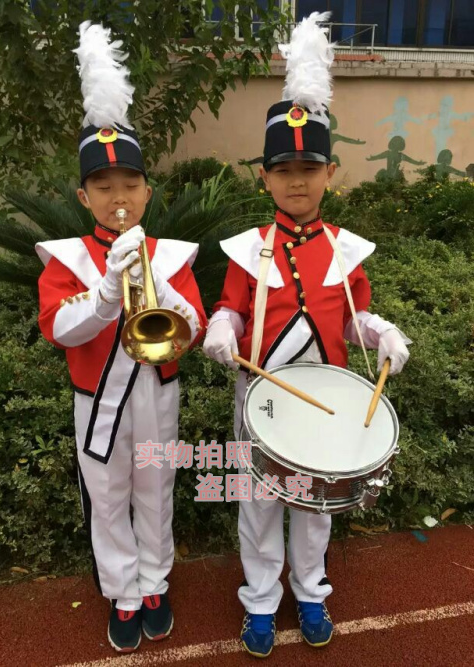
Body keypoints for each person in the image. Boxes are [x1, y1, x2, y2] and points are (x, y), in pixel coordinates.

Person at [203, 13, 410, 659]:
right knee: (259, 506)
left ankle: (312, 590)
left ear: (331, 172)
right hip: (261, 400)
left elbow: (351, 317)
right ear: (264, 176)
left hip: (327, 398)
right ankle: (261, 602)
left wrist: (381, 331)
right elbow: (233, 309)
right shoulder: (247, 249)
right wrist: (221, 327)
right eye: (284, 168)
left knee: (316, 507)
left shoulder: (346, 249)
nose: (297, 179)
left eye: (310, 167)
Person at [36, 22, 206, 654]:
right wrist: (106, 292)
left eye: (130, 185)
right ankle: (123, 592)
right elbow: (59, 327)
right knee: (107, 497)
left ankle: (155, 583)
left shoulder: (172, 254)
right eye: (104, 188)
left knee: (156, 491)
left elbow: (193, 326)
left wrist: (172, 304)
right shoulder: (66, 258)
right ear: (84, 197)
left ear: (147, 191)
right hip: (96, 397)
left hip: (157, 394)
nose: (119, 197)